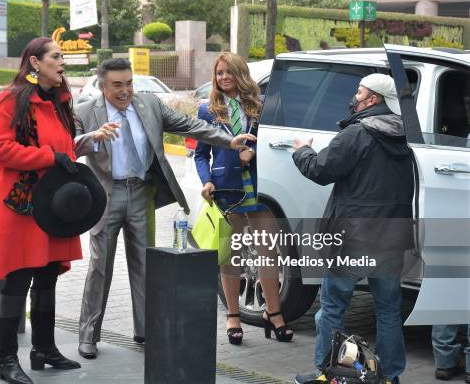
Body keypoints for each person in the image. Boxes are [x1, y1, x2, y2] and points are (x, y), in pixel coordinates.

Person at [74, 57, 256, 359]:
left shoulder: (149, 105)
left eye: (129, 83)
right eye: (117, 85)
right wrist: (92, 138)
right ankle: (88, 335)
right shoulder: (85, 111)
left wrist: (229, 141)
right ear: (103, 86)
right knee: (100, 266)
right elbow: (67, 145)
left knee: (146, 265)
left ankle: (147, 330)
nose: (125, 90)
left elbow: (192, 125)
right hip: (107, 194)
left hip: (141, 192)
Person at [0, 37, 85, 384]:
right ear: (35, 62)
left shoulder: (59, 100)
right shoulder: (12, 99)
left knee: (47, 275)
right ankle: (5, 360)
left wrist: (71, 155)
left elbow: (64, 145)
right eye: (56, 57)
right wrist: (50, 157)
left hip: (52, 203)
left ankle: (44, 348)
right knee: (19, 278)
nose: (62, 63)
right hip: (21, 202)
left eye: (62, 57)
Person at [292, 74, 414, 384]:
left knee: (333, 307)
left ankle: (326, 373)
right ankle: (389, 377)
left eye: (359, 92)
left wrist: (302, 151)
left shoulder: (356, 134)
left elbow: (319, 170)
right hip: (391, 237)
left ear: (372, 100)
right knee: (388, 311)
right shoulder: (406, 137)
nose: (354, 97)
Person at [194, 52, 293, 345]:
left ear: (241, 74)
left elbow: (277, 144)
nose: (223, 77)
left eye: (229, 72)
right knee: (232, 254)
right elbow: (200, 154)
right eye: (219, 73)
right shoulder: (207, 111)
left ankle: (273, 313)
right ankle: (233, 316)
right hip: (226, 187)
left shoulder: (262, 108)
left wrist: (256, 152)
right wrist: (206, 181)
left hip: (260, 185)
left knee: (268, 252)